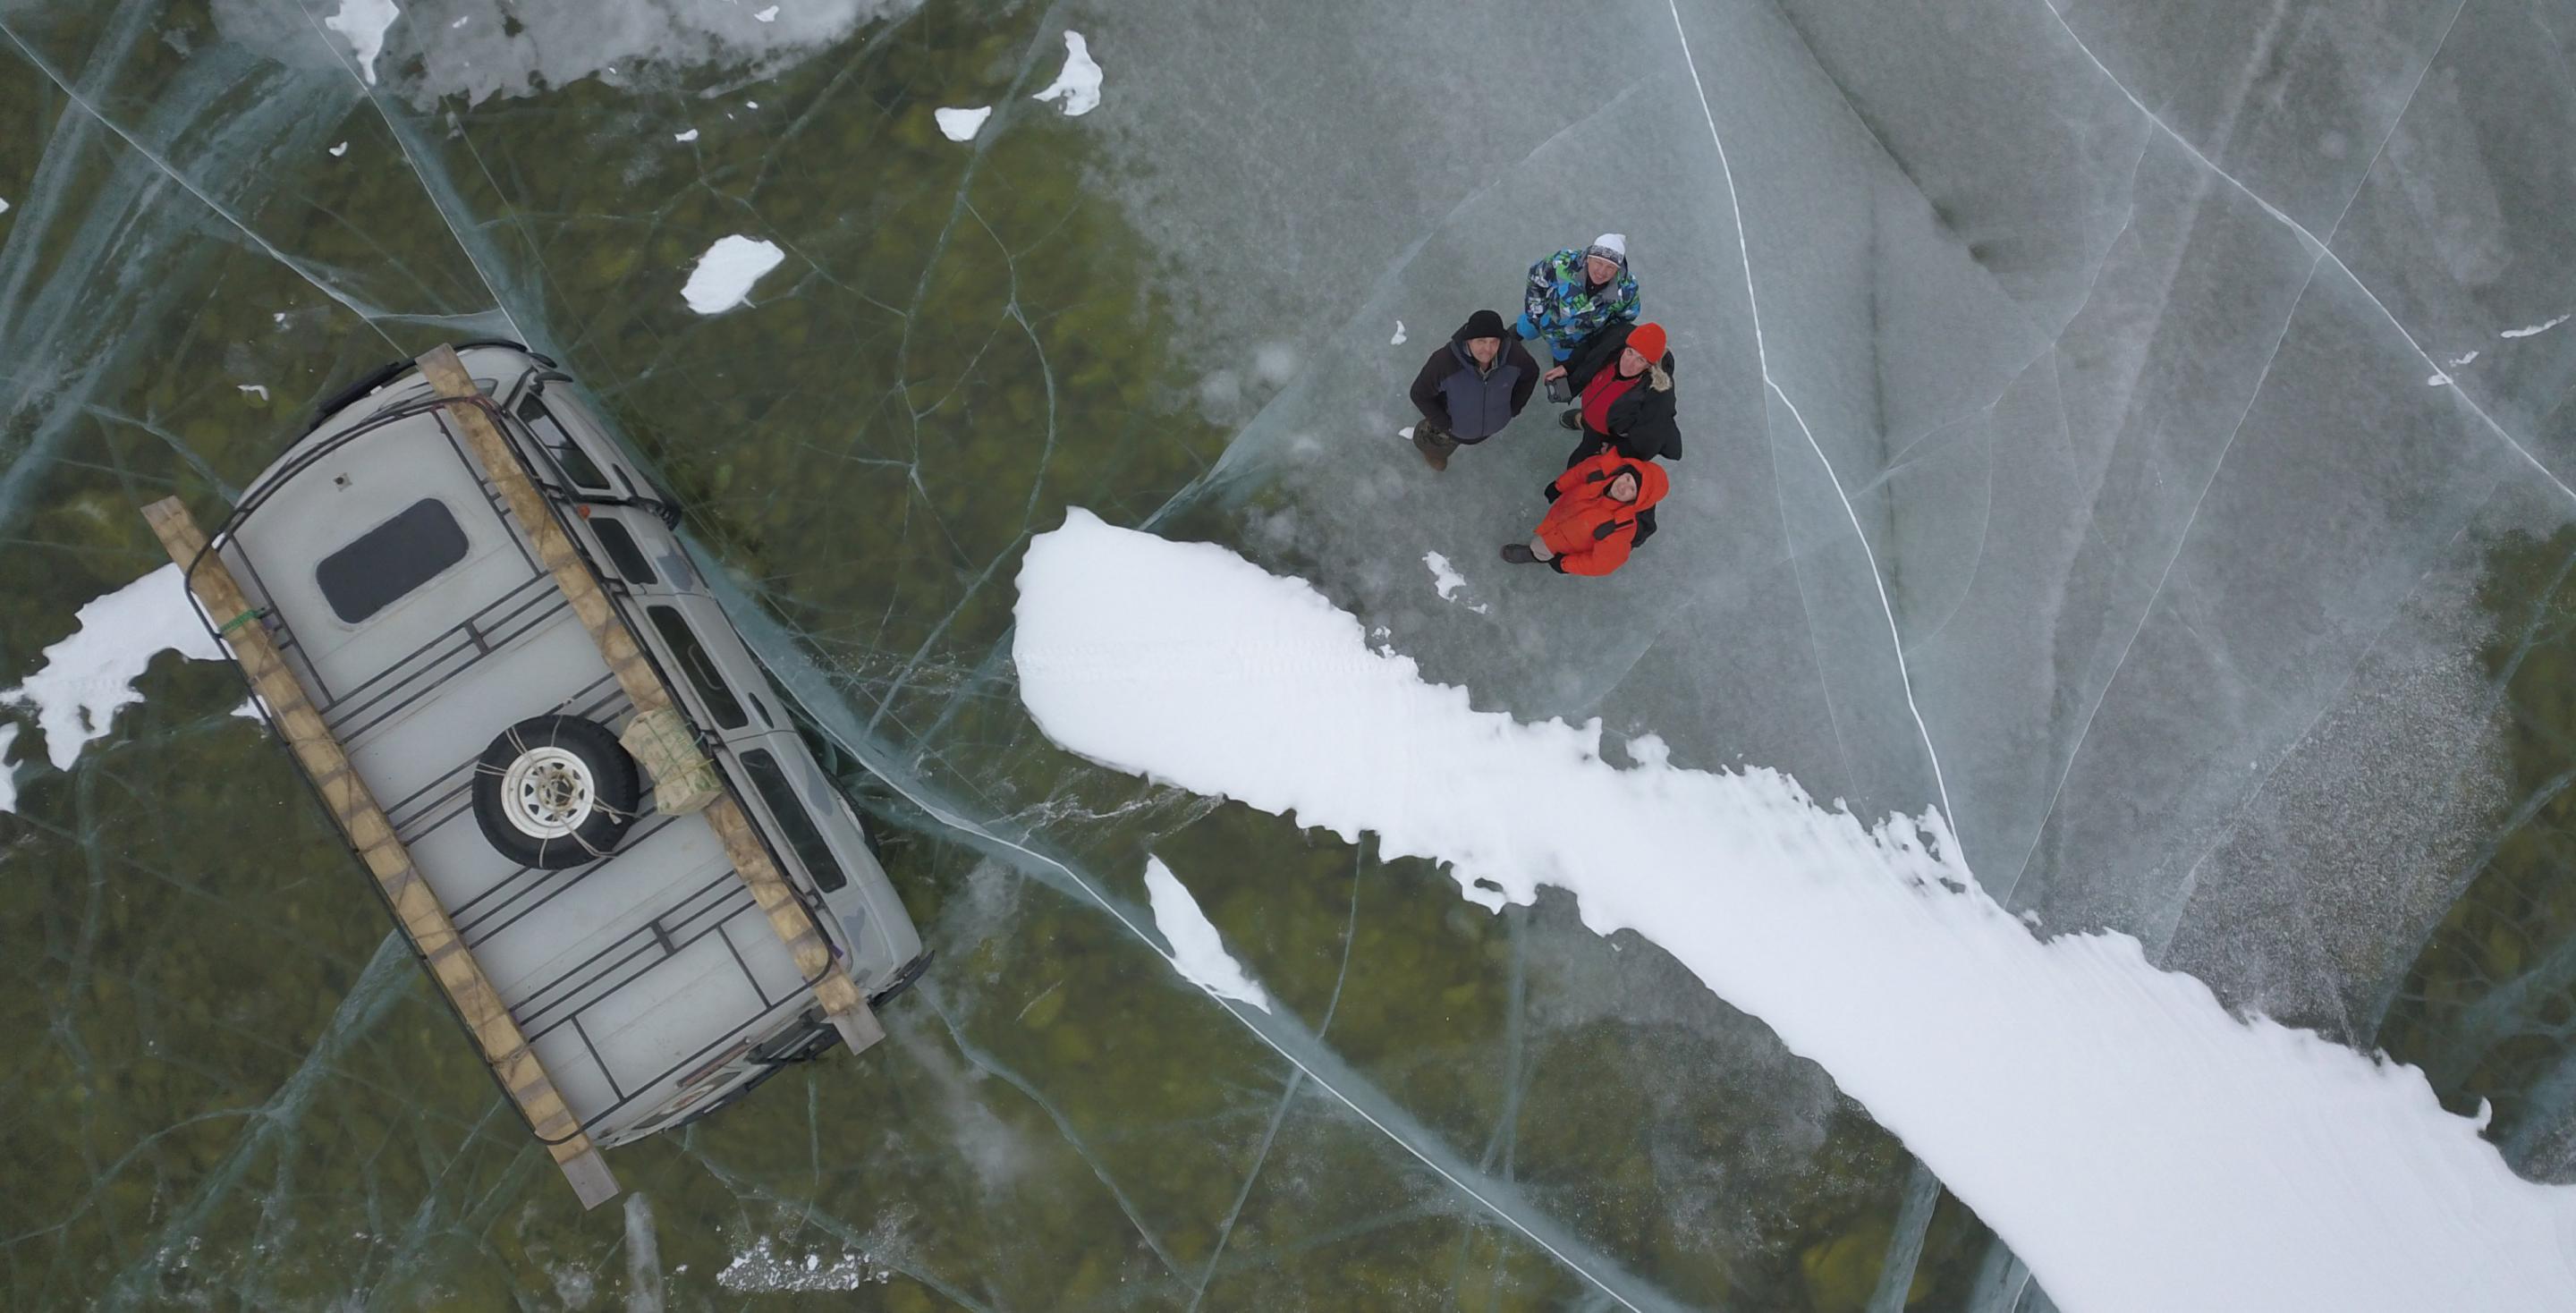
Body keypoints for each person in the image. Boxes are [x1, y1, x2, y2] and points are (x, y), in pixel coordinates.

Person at [1406, 309, 1541, 470]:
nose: (1488, 349)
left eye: (1494, 342)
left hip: (1490, 426)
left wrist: (1513, 407)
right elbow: (1419, 394)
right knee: (1435, 440)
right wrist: (1445, 424)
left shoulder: (1515, 356)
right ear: (1468, 340)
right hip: (1453, 428)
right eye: (1481, 341)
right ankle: (1435, 453)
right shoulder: (1444, 363)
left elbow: (1531, 373)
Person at [1501, 453, 1670, 576]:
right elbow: (1578, 473)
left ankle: (1535, 555)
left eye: (1632, 489)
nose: (1623, 486)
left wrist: (1565, 564)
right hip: (1559, 514)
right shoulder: (1600, 472)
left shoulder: (1619, 528)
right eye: (1627, 478)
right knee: (1547, 528)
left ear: (1637, 500)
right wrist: (1559, 486)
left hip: (1562, 544)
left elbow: (1602, 564)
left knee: (1541, 547)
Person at [1552, 319, 1679, 467]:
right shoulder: (1617, 337)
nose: (1628, 364)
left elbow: (1649, 442)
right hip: (1592, 407)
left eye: (1640, 360)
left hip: (1605, 433)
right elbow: (1591, 345)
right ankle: (1582, 419)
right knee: (1589, 420)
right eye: (1630, 352)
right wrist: (1568, 367)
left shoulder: (1658, 396)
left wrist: (1617, 449)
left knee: (1580, 460)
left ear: (1650, 366)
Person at [1516, 233, 1641, 363]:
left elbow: (1625, 318)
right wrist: (1535, 313)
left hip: (1573, 341)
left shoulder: (1627, 290)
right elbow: (1536, 278)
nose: (1602, 272)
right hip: (1540, 319)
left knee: (1563, 358)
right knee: (1525, 329)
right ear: (1589, 258)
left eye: (1610, 267)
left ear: (1618, 269)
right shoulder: (1562, 262)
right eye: (1598, 262)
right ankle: (1517, 333)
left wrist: (1593, 335)